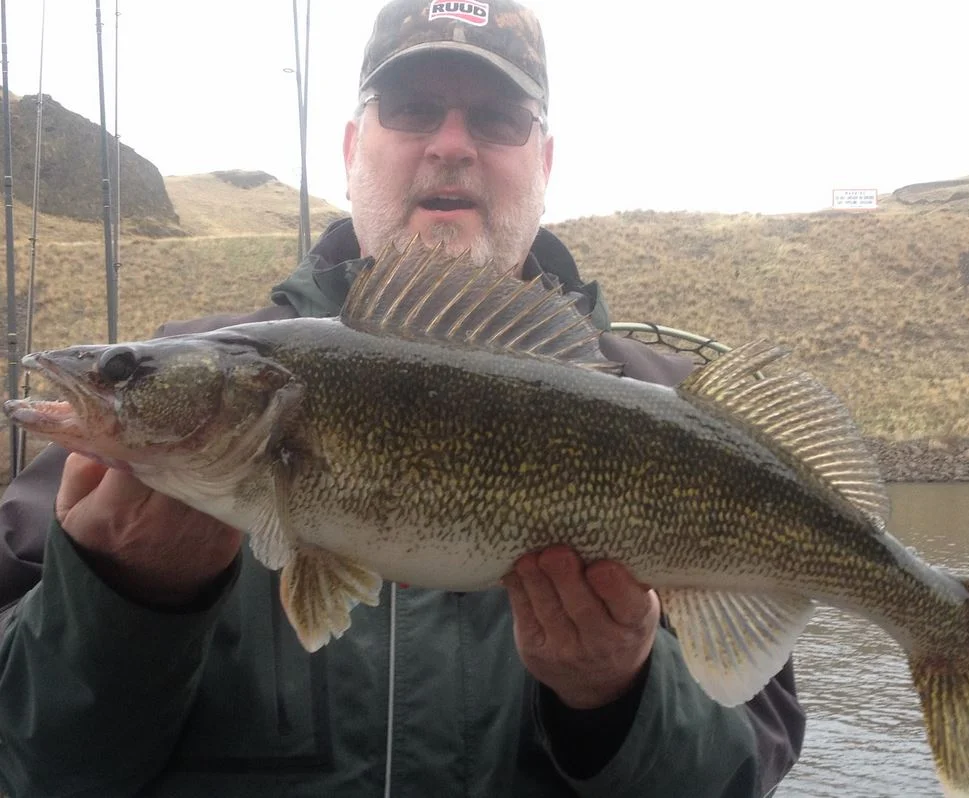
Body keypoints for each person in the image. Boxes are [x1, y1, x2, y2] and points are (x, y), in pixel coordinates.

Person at [0, 1, 805, 796]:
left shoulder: (677, 410)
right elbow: (27, 766)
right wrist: (119, 602)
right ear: (354, 147)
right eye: (413, 108)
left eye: (496, 118)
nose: (451, 145)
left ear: (546, 162)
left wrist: (619, 699)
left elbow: (741, 775)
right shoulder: (150, 435)